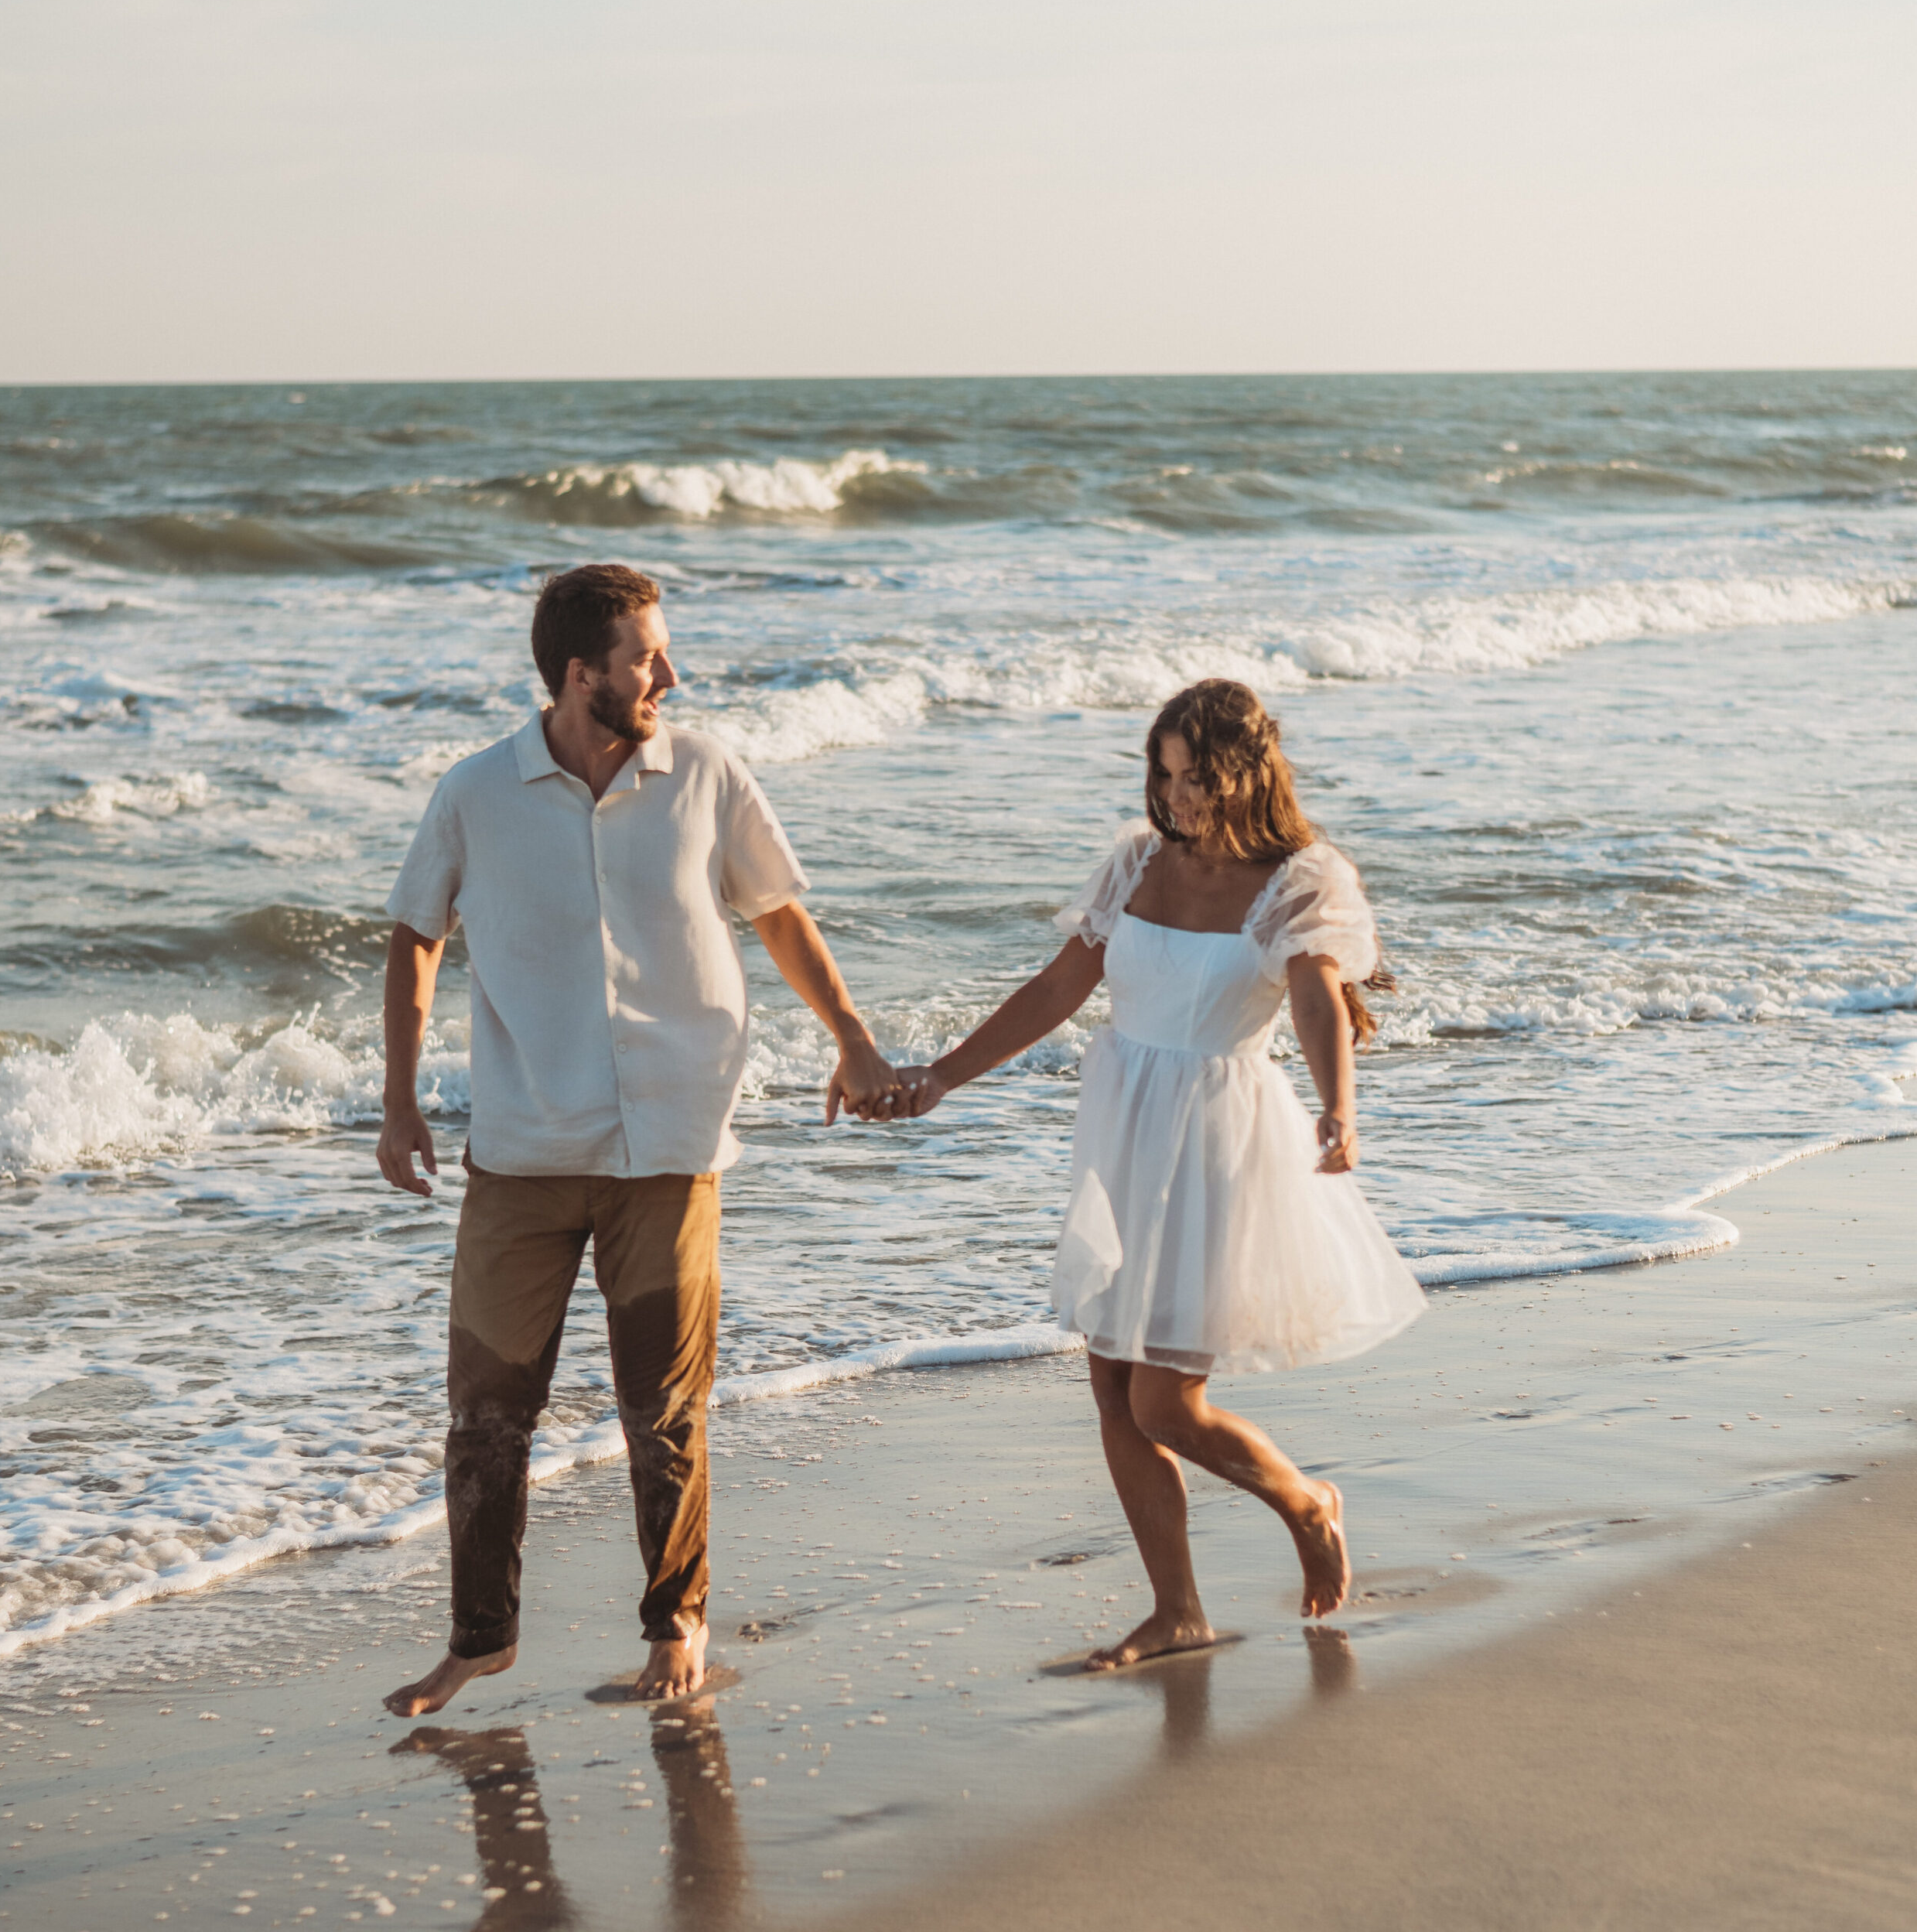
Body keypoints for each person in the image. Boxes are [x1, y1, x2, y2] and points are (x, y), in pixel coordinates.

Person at [376, 563, 900, 1713]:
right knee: (486, 1413)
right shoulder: (476, 792)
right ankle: (480, 1641)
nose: (671, 672)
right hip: (524, 1147)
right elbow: (415, 933)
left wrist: (853, 1037)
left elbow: (777, 913)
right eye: (647, 657)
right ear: (580, 675)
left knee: (660, 1409)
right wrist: (400, 1098)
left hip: (672, 1137)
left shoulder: (705, 772)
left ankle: (680, 1626)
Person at [897, 679, 1426, 1664]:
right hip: (1122, 1131)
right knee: (1111, 1396)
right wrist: (941, 1077)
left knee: (1162, 1402)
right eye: (1163, 774)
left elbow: (1315, 998)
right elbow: (1059, 986)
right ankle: (1177, 1608)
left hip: (1218, 1139)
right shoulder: (1136, 865)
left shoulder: (1300, 879)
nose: (1175, 797)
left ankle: (1305, 1499)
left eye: (1195, 777)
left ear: (1243, 772)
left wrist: (1340, 1107)